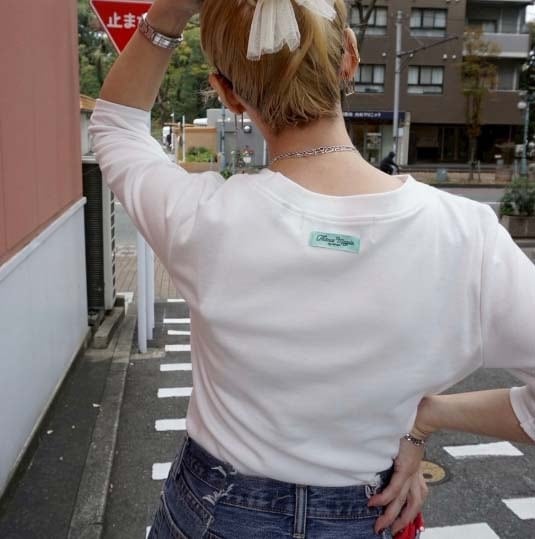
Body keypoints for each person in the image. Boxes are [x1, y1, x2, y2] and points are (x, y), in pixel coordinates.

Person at [88, 0, 535, 537]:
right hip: (371, 514)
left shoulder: (205, 219)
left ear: (227, 93)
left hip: (213, 510)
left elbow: (115, 127)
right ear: (350, 56)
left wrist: (169, 14)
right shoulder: (468, 237)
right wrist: (428, 417)